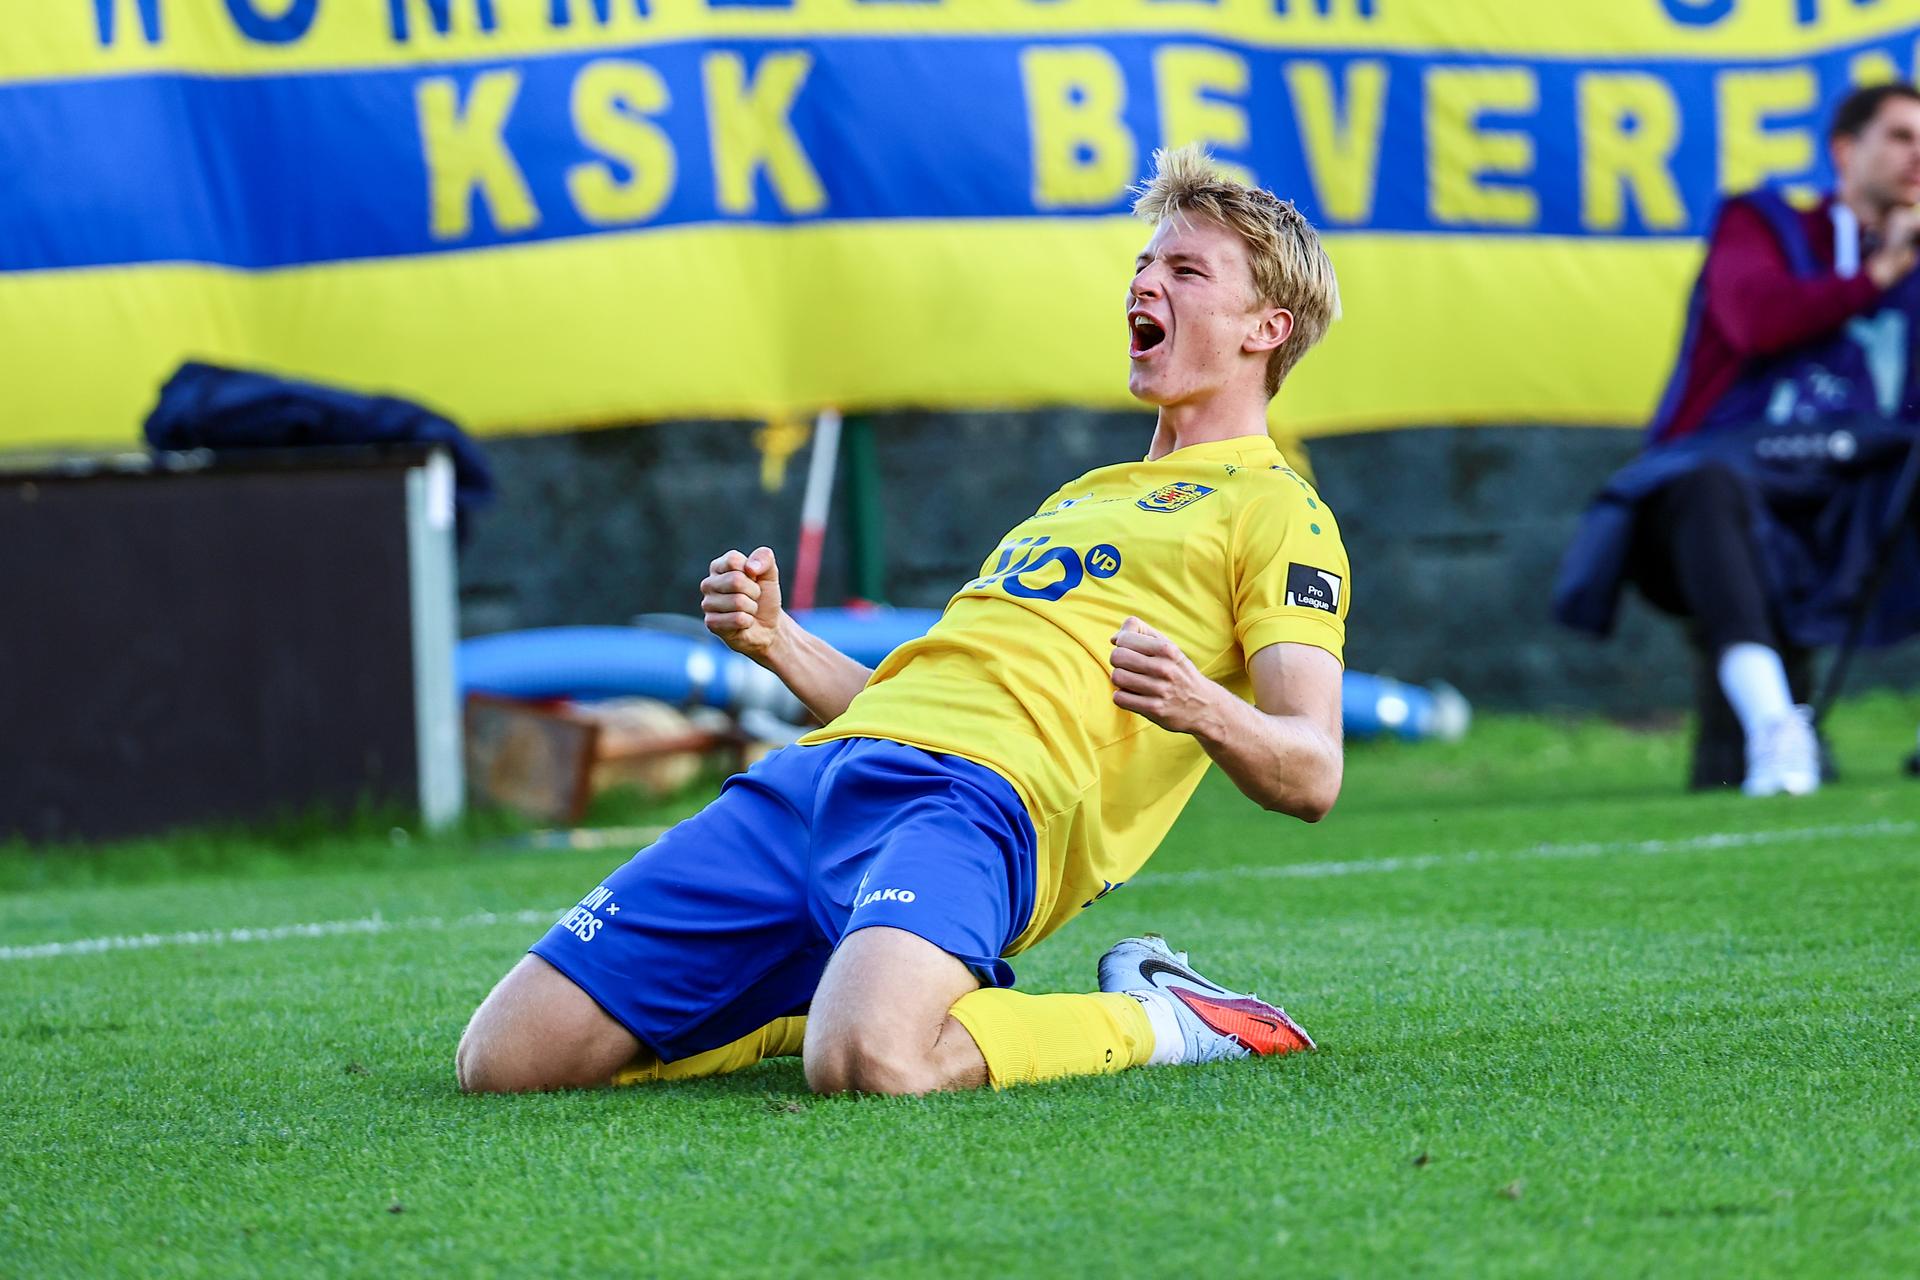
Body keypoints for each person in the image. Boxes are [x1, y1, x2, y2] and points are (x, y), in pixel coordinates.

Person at [455, 145, 1351, 1096]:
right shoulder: (1082, 497)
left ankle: (1157, 1016)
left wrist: (1201, 706)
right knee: (507, 1062)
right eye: (1143, 263)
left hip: (977, 807)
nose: (1145, 281)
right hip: (817, 777)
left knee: (870, 1062)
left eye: (1184, 269)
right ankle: (809, 997)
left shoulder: (1276, 511)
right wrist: (777, 640)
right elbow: (916, 701)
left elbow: (1313, 771)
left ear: (1267, 327)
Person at [1556, 83, 1920, 796]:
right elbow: (1757, 319)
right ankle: (1775, 729)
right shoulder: (1760, 223)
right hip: (1709, 506)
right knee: (1707, 491)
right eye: (1901, 136)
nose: (1918, 156)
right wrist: (1878, 274)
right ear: (1845, 150)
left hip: (1848, 513)